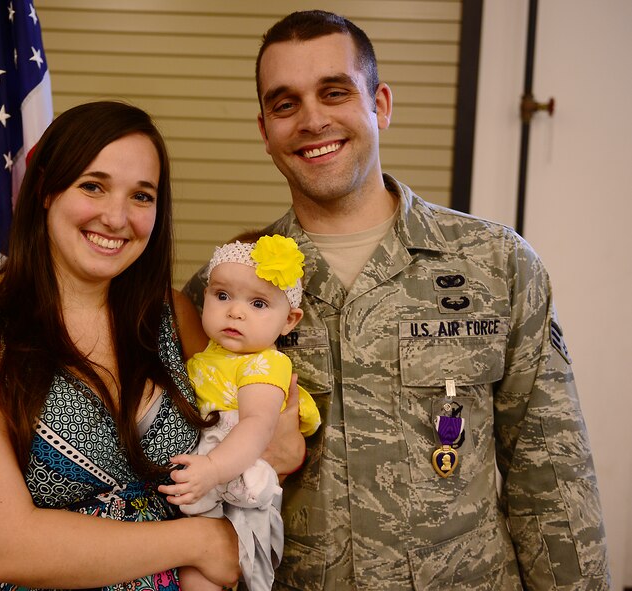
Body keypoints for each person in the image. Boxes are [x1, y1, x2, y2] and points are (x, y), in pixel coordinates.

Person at [184, 10, 610, 591]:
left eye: (334, 92)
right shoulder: (225, 290)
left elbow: (552, 477)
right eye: (285, 105)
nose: (312, 119)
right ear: (265, 131)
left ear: (380, 104)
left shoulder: (496, 263)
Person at [0, 100, 292, 590]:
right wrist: (203, 542)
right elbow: (3, 547)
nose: (116, 217)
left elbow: (275, 436)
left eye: (142, 196)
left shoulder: (172, 315)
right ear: (46, 190)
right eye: (93, 186)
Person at [159, 235, 321, 591]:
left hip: (237, 478)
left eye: (259, 303)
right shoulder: (206, 356)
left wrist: (214, 468)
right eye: (222, 296)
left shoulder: (265, 364)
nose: (235, 311)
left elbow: (257, 425)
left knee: (202, 572)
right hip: (204, 474)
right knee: (188, 565)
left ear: (289, 321)